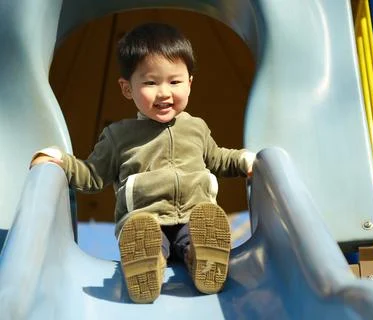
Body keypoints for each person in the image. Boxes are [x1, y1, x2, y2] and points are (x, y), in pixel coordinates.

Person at [30, 22, 255, 303]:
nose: (163, 93)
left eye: (175, 82)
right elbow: (93, 175)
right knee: (146, 237)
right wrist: (61, 162)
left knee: (198, 232)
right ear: (127, 88)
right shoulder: (118, 136)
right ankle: (146, 267)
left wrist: (245, 159)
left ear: (190, 83)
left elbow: (218, 158)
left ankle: (203, 260)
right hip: (146, 218)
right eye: (150, 82)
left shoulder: (197, 128)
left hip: (194, 215)